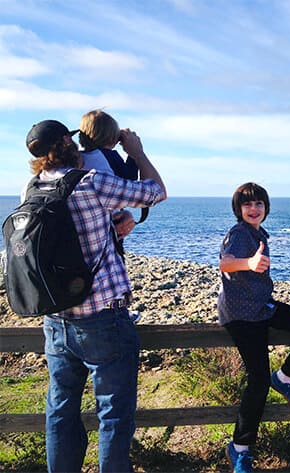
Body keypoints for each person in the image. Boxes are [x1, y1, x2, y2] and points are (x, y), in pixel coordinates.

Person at [23, 119, 167, 472]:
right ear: (68, 144)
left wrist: (120, 225)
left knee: (60, 412)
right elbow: (156, 191)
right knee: (114, 417)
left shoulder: (32, 189)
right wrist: (136, 152)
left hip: (56, 320)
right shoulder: (91, 183)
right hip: (103, 316)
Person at [218, 182, 290, 473]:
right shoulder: (238, 234)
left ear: (266, 208)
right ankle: (239, 449)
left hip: (262, 307)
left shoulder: (258, 233)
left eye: (259, 204)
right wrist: (249, 263)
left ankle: (286, 378)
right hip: (241, 316)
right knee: (258, 379)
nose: (254, 209)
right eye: (248, 204)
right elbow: (225, 264)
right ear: (239, 209)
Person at [78, 109, 140, 241]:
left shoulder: (79, 158)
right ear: (113, 138)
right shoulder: (110, 156)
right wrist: (133, 152)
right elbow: (130, 179)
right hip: (110, 218)